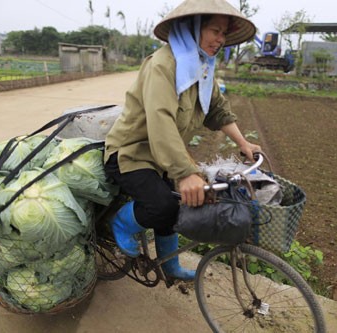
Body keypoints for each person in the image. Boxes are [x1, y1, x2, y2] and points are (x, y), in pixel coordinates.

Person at [104, 0, 261, 281]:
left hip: (162, 157)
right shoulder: (163, 65)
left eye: (224, 33)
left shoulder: (202, 67)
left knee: (176, 205)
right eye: (215, 30)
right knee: (162, 205)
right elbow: (160, 119)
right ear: (192, 28)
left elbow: (217, 110)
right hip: (131, 154)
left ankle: (169, 266)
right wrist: (186, 173)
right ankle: (121, 222)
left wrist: (244, 144)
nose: (221, 40)